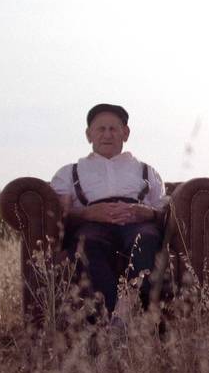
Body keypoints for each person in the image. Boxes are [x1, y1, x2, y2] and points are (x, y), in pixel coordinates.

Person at [50, 103, 167, 321]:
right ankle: (109, 317)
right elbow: (59, 215)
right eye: (100, 129)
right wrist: (86, 214)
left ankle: (136, 310)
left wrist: (146, 213)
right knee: (86, 242)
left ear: (126, 133)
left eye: (113, 129)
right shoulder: (69, 172)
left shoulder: (146, 170)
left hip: (137, 223)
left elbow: (162, 211)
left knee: (147, 237)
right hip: (92, 225)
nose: (107, 135)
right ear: (88, 135)